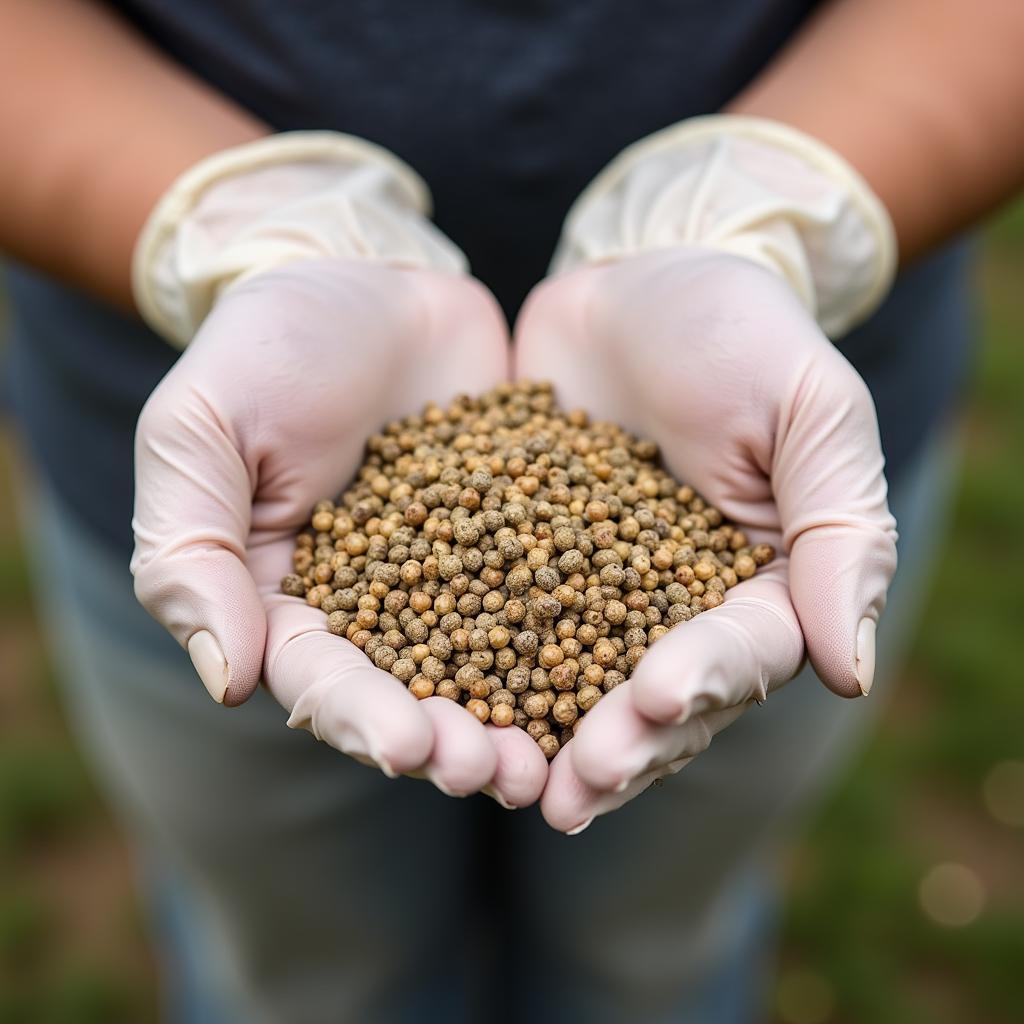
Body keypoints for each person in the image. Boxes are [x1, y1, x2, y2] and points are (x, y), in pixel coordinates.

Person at [2, 1, 1022, 1021]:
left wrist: (771, 215)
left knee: (649, 959)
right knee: (309, 981)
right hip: (237, 457)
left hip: (757, 452)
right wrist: (239, 231)